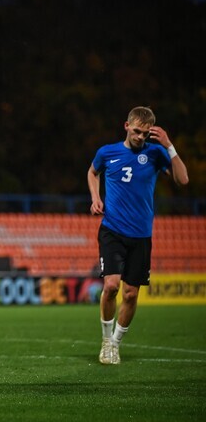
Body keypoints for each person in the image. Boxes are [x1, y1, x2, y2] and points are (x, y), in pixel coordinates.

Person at [88, 106, 188, 365]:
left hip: (141, 235)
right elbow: (92, 172)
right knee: (111, 286)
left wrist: (169, 146)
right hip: (112, 230)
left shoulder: (155, 153)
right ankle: (106, 340)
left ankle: (116, 344)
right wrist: (96, 197)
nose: (140, 137)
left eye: (145, 133)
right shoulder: (107, 152)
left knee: (131, 294)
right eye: (136, 131)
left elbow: (183, 179)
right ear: (126, 126)